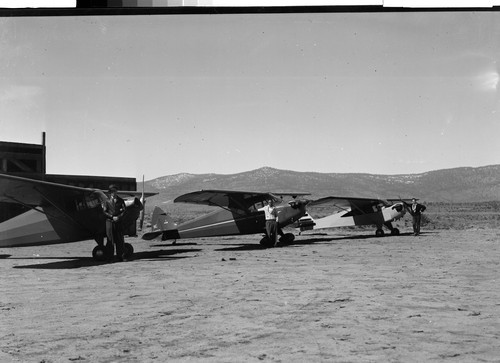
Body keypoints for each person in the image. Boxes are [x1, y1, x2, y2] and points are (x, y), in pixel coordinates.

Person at [102, 184, 127, 261]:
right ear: (110, 192)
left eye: (115, 191)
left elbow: (124, 211)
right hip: (109, 222)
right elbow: (104, 212)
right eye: (112, 191)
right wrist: (112, 217)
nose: (113, 193)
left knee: (120, 239)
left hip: (118, 222)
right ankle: (110, 257)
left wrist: (118, 217)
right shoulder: (106, 201)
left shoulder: (121, 200)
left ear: (116, 191)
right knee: (110, 240)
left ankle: (121, 256)